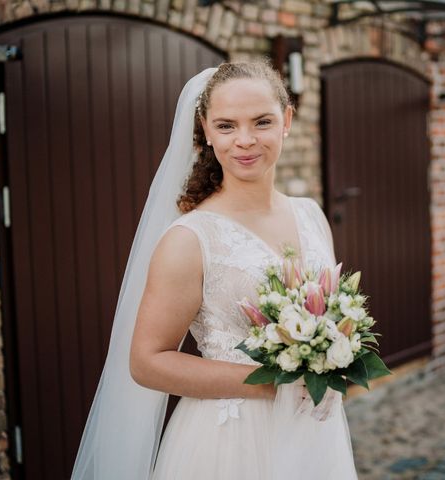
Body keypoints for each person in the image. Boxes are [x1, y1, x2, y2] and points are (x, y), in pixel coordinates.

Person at [71, 61, 358, 480]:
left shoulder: (311, 215)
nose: (245, 141)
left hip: (314, 432)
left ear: (287, 120)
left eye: (262, 121)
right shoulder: (189, 239)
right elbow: (147, 362)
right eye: (226, 126)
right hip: (232, 443)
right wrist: (273, 383)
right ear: (205, 129)